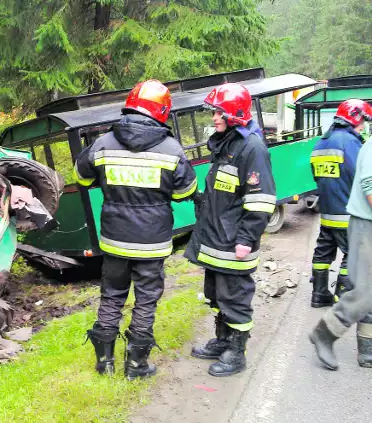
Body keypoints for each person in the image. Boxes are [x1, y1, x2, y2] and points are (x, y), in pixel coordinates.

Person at [76, 79, 198, 380]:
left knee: (112, 295)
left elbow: (81, 177)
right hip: (152, 241)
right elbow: (186, 192)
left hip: (115, 239)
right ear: (163, 111)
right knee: (146, 299)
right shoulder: (171, 149)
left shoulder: (103, 143)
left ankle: (104, 363)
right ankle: (136, 366)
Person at [186, 83, 276, 377]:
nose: (214, 118)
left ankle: (237, 352)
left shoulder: (252, 147)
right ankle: (222, 340)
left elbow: (261, 201)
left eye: (219, 112)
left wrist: (246, 240)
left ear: (235, 114)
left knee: (235, 299)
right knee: (216, 295)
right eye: (214, 112)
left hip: (233, 244)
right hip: (215, 241)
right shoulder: (227, 143)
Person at [310, 107, 372, 370]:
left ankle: (319, 294)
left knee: (326, 256)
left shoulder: (322, 142)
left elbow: (317, 176)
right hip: (357, 218)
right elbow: (367, 183)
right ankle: (327, 330)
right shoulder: (357, 144)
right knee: (364, 287)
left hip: (328, 211)